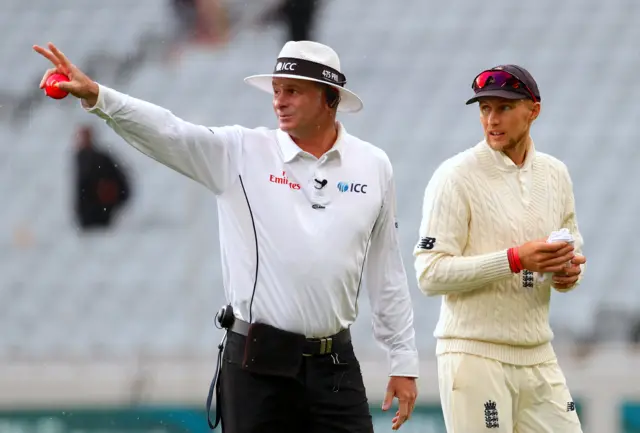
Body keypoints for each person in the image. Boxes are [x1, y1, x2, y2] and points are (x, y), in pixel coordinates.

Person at [33, 40, 419, 432]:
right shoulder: (241, 151)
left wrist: (402, 360)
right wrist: (100, 97)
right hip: (258, 365)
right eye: (277, 91)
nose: (279, 102)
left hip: (335, 364)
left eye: (293, 91)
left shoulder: (373, 166)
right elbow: (170, 132)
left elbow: (387, 269)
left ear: (330, 98)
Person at [413, 65, 587, 433]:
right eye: (484, 109)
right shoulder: (454, 176)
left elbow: (572, 251)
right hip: (475, 356)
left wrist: (568, 273)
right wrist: (514, 259)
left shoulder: (555, 174)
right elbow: (429, 275)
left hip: (539, 354)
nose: (492, 119)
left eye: (504, 108)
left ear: (533, 111)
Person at [72, 124, 131, 231]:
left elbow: (121, 184)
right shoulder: (82, 158)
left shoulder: (100, 159)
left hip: (101, 216)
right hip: (88, 218)